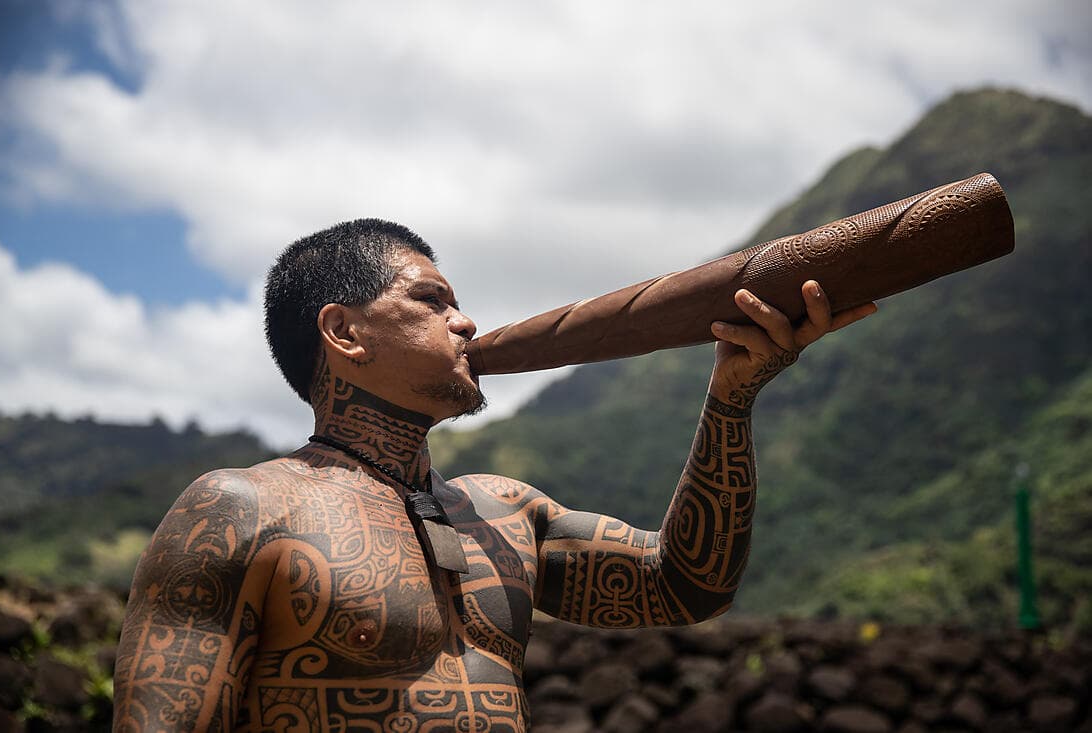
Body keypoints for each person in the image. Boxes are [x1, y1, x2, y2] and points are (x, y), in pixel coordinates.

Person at [113, 218, 876, 731]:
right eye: (431, 300)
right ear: (345, 332)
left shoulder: (507, 512)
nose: (467, 322)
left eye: (460, 302)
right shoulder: (242, 509)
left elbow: (688, 582)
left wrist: (732, 397)